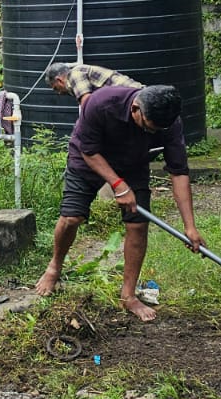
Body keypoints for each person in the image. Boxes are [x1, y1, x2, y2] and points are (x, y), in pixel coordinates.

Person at [35, 84, 204, 323]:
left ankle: (128, 295)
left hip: (133, 164)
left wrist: (190, 226)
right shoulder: (102, 102)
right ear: (135, 109)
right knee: (73, 217)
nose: (151, 133)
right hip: (88, 159)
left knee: (137, 226)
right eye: (148, 127)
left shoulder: (169, 124)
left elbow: (179, 173)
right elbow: (89, 150)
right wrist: (117, 185)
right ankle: (54, 267)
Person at [43, 60, 143, 106]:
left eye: (56, 88)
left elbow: (87, 104)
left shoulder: (74, 74)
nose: (59, 93)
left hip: (136, 97)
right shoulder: (79, 71)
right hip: (132, 97)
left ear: (59, 80)